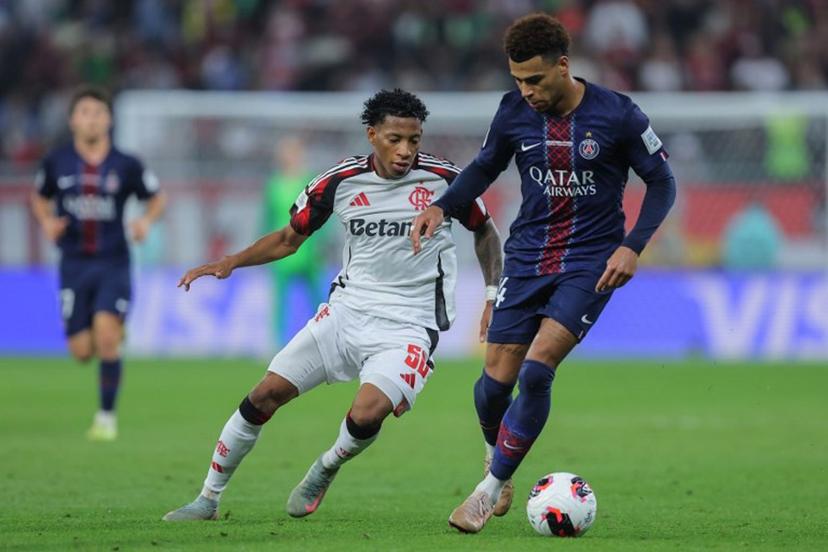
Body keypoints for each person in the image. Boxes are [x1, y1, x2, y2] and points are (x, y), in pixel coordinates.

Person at [163, 89, 502, 521]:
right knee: (264, 395)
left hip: (409, 325)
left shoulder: (445, 179)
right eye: (395, 139)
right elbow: (290, 238)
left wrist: (492, 295)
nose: (405, 151)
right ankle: (207, 499)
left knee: (367, 412)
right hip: (345, 314)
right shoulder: (338, 182)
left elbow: (486, 231)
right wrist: (231, 262)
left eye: (414, 140)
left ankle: (326, 466)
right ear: (372, 135)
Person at [411, 13, 676, 533]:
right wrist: (443, 206)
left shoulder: (618, 114)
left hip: (591, 261)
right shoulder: (512, 112)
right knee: (491, 388)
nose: (526, 90)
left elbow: (662, 183)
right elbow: (486, 166)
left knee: (536, 371)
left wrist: (633, 246)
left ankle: (485, 493)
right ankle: (499, 461)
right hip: (529, 256)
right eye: (518, 80)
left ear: (563, 65)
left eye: (535, 79)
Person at [30, 86, 166, 442]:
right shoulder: (55, 161)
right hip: (73, 265)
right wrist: (46, 222)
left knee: (106, 339)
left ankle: (106, 418)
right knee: (80, 352)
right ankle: (111, 328)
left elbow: (157, 198)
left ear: (109, 120)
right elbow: (39, 198)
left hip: (113, 262)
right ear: (73, 120)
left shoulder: (126, 164)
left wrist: (145, 222)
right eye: (85, 112)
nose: (92, 118)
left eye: (98, 112)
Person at [261, 136, 326, 347]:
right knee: (281, 301)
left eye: (293, 153)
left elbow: (324, 213)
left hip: (308, 248)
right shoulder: (274, 184)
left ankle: (326, 336)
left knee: (318, 298)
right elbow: (267, 218)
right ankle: (277, 343)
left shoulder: (310, 182)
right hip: (282, 249)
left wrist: (322, 241)